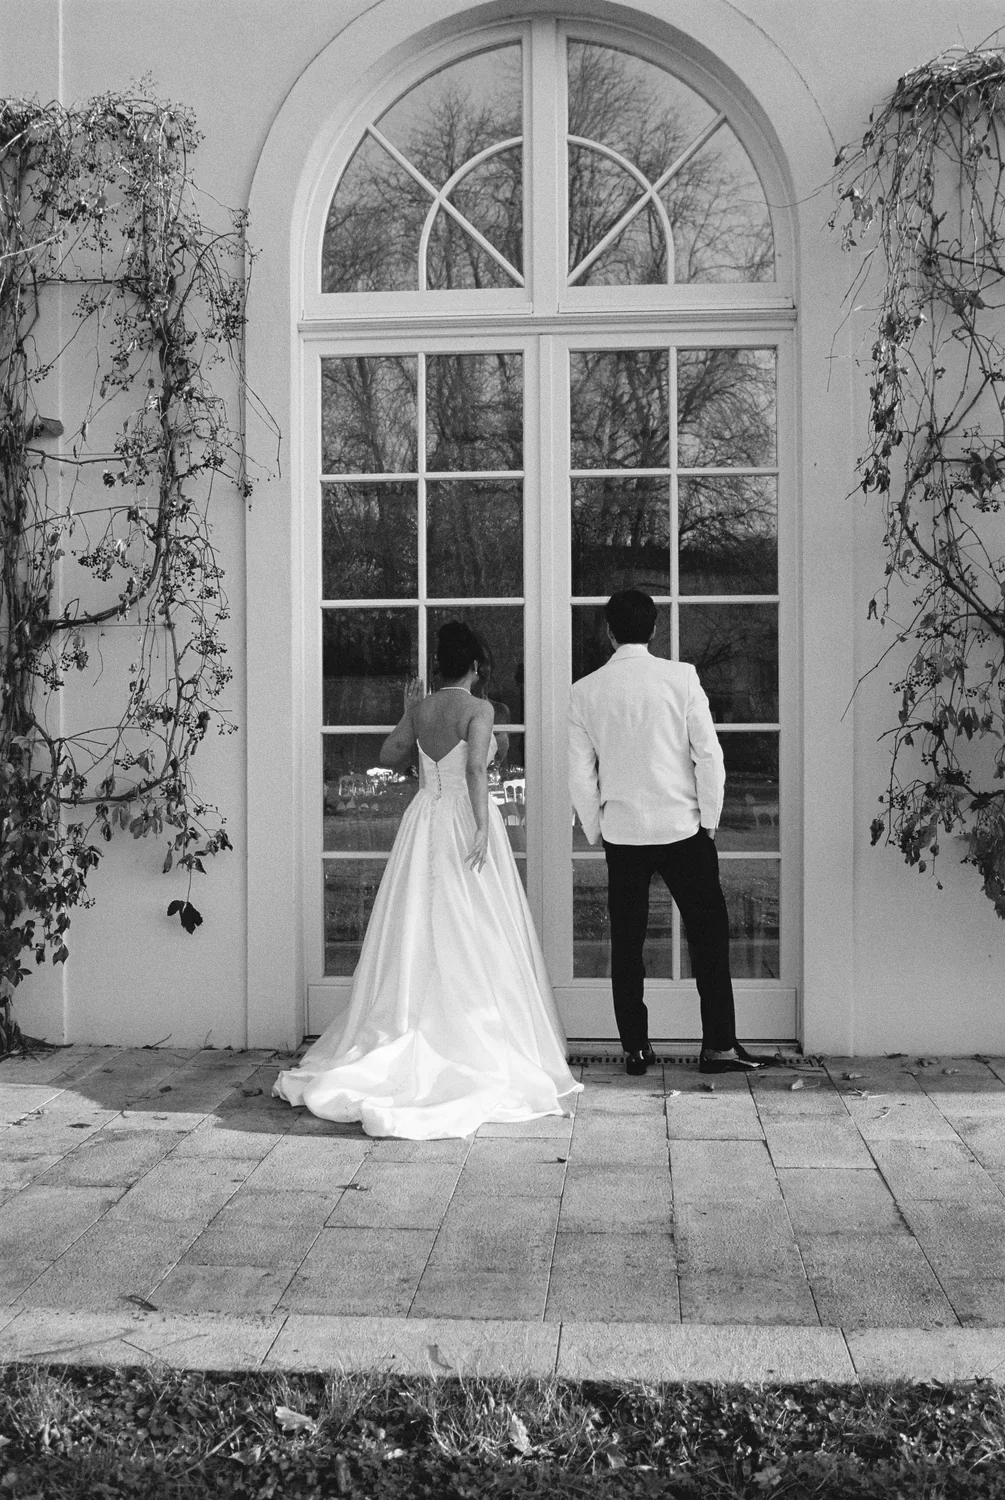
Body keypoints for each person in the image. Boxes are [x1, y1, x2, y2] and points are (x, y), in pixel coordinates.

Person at [275, 621, 582, 1138]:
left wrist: (412, 713)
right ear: (477, 667)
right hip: (465, 815)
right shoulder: (479, 709)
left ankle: (408, 1014)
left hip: (424, 817)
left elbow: (389, 755)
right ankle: (476, 1027)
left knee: (416, 915)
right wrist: (484, 824)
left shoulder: (421, 710)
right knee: (480, 920)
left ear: (440, 666)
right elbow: (477, 772)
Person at [567, 588, 767, 1077]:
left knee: (626, 945)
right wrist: (710, 821)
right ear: (655, 628)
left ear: (609, 632)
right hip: (683, 830)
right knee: (709, 939)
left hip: (623, 834)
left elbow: (580, 774)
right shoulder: (682, 678)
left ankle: (636, 1049)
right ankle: (718, 1046)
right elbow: (709, 756)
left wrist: (597, 829)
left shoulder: (585, 690)